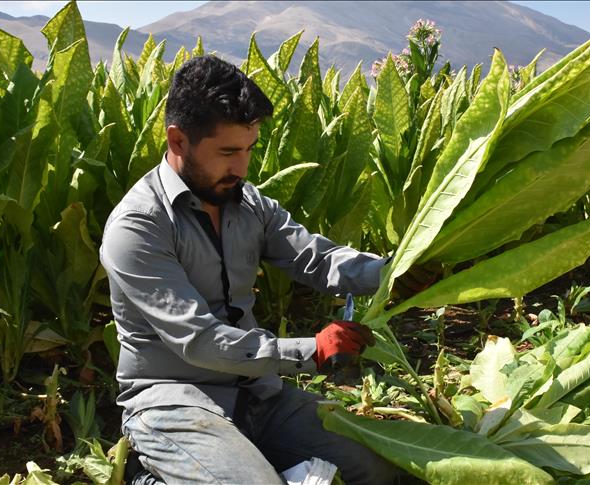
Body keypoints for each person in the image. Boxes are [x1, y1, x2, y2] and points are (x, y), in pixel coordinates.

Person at [100, 55, 397, 484]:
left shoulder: (248, 202)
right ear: (178, 140)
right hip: (175, 401)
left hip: (258, 394)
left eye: (249, 149)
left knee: (376, 469)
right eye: (227, 152)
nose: (241, 168)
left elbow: (316, 258)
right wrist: (313, 350)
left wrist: (393, 274)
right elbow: (199, 340)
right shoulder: (139, 226)